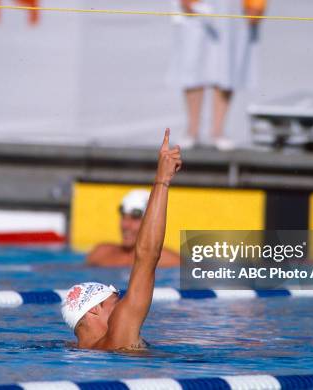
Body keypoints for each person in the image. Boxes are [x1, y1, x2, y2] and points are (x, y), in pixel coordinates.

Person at [62, 129, 181, 350]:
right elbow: (147, 257)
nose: (124, 305)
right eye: (115, 303)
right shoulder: (119, 338)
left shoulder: (74, 349)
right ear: (94, 309)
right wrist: (162, 180)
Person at [168, 0, 266, 150]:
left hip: (233, 8)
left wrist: (256, 4)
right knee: (193, 60)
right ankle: (192, 131)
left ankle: (218, 132)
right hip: (198, 6)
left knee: (228, 63)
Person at [86, 189, 180, 268]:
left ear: (152, 223)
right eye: (123, 217)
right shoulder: (100, 254)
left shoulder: (169, 261)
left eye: (134, 218)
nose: (125, 225)